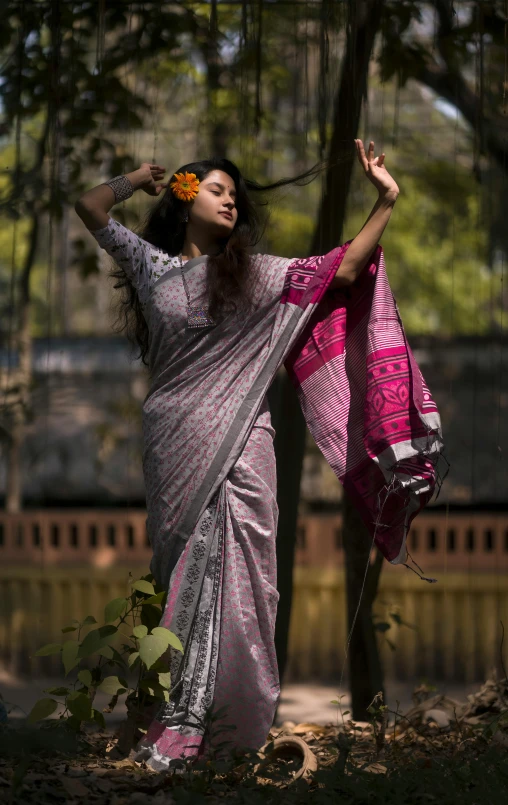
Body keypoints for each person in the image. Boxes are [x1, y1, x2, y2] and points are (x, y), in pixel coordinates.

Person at [74, 145, 442, 770]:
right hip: (175, 446)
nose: (229, 200)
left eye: (234, 196)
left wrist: (386, 199)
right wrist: (135, 179)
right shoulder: (152, 267)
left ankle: (230, 731)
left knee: (246, 585)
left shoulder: (256, 276)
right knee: (178, 582)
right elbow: (90, 206)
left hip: (245, 448)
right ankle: (174, 718)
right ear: (186, 198)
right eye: (216, 189)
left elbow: (344, 271)